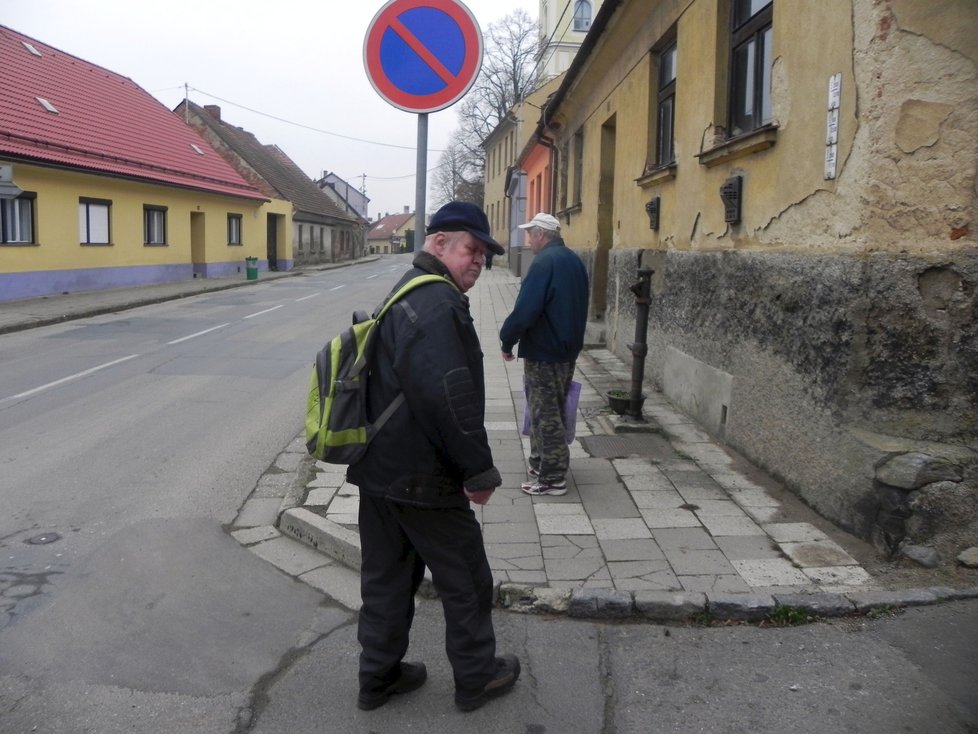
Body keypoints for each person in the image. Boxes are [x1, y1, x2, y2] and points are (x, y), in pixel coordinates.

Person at [348, 201, 521, 713]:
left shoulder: (407, 289)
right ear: (438, 242)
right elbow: (450, 397)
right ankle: (477, 676)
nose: (478, 262)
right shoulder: (437, 304)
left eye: (485, 255)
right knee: (467, 579)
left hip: (379, 470)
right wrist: (478, 469)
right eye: (471, 249)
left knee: (386, 578)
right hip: (423, 476)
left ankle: (377, 678)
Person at [500, 212, 589, 496]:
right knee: (552, 407)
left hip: (545, 349)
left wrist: (507, 339)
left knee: (545, 413)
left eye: (530, 234)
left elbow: (526, 309)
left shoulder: (543, 263)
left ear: (541, 234)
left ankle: (552, 478)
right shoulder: (573, 260)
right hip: (566, 349)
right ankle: (540, 462)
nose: (528, 240)